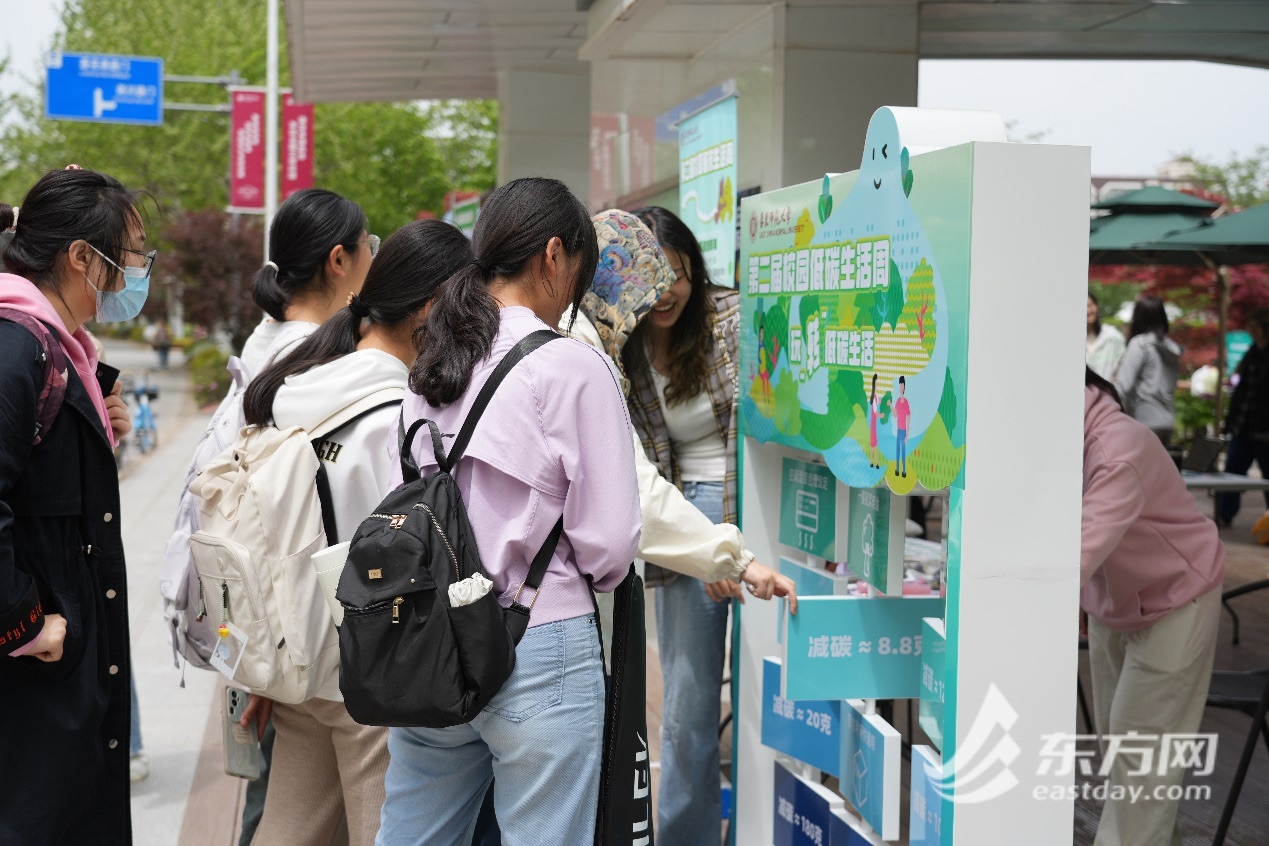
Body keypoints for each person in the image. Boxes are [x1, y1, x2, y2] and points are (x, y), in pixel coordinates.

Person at [377, 177, 640, 845]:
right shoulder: (569, 366)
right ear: (554, 255)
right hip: (539, 640)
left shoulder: (432, 363)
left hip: (433, 641)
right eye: (577, 275)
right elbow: (610, 549)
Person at [238, 220, 471, 846]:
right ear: (430, 309)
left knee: (289, 829)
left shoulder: (294, 387)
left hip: (295, 654)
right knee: (384, 832)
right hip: (369, 670)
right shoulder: (396, 415)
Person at [616, 204, 775, 845]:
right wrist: (702, 548)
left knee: (765, 689)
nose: (667, 291)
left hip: (752, 502)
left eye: (679, 274)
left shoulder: (730, 321)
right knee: (688, 699)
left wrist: (725, 540)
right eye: (655, 276)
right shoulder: (620, 341)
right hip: (679, 509)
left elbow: (756, 430)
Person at [0, 168, 144, 843]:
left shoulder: (62, 350)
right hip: (34, 669)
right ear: (83, 257)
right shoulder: (17, 348)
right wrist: (25, 624)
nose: (139, 272)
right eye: (133, 254)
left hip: (64, 664)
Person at [1081, 365, 1223, 846]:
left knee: (1139, 758)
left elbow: (1077, 551)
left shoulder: (1118, 449)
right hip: (1113, 600)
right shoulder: (1056, 441)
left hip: (1177, 597)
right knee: (1127, 757)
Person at [1218, 308, 1269, 526]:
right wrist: (1230, 423)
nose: (1249, 330)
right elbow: (1241, 392)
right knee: (1232, 474)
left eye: (1253, 326)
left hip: (1265, 431)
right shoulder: (1252, 353)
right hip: (1243, 427)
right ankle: (1224, 514)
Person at [1115, 295, 1181, 445]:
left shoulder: (1140, 344)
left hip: (1144, 419)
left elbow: (1124, 385)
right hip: (1167, 422)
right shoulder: (1172, 346)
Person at [1086, 293, 1125, 380]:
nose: (1087, 311)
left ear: (1096, 306)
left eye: (1089, 305)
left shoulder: (1113, 336)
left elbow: (1123, 365)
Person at [894, 375, 910, 477]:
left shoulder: (906, 402)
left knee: (903, 452)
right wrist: (890, 406)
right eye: (900, 386)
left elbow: (909, 418)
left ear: (904, 387)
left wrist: (907, 435)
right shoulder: (897, 401)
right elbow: (895, 415)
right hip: (898, 430)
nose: (901, 388)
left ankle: (904, 471)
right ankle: (897, 469)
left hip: (904, 431)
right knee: (897, 451)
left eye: (902, 386)